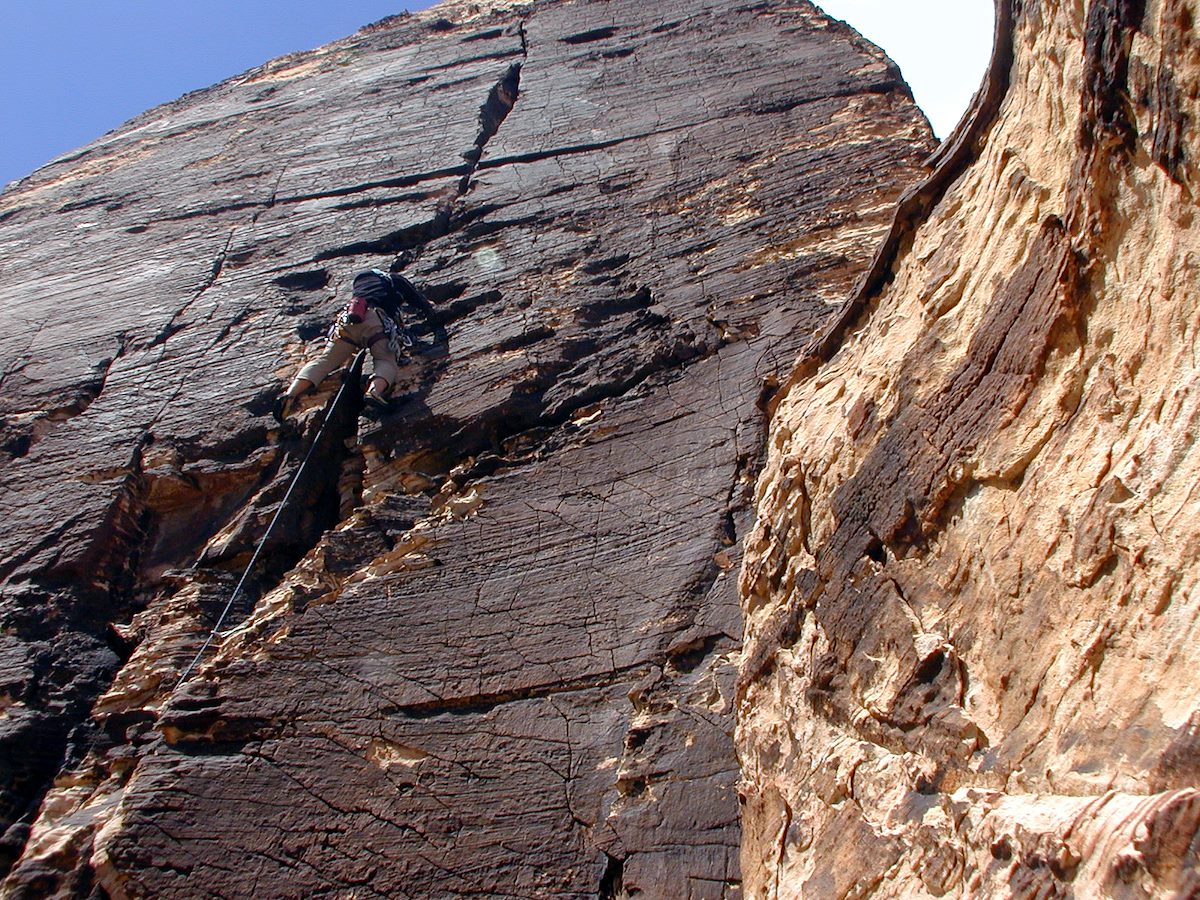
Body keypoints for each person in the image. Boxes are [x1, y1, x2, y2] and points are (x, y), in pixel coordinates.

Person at [279, 269, 437, 416]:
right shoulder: (394, 280)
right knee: (385, 360)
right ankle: (374, 392)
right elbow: (418, 301)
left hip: (349, 319)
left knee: (325, 360)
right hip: (375, 321)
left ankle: (290, 394)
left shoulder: (360, 282)